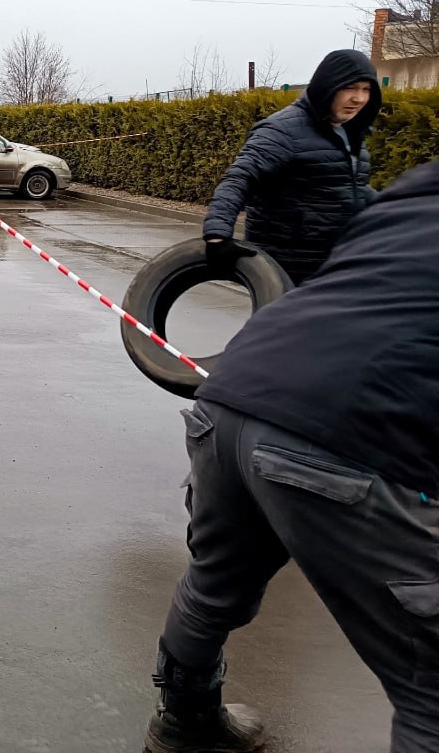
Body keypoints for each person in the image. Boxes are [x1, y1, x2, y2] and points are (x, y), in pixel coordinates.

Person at [143, 159, 439, 753]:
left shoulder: (415, 189)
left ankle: (184, 722)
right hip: (338, 428)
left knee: (213, 584)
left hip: (231, 391)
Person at [202, 49, 380, 284]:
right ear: (327, 86)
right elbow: (240, 178)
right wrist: (217, 235)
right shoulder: (282, 131)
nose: (358, 98)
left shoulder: (351, 133)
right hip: (288, 270)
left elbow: (348, 189)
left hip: (336, 266)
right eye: (349, 88)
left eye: (366, 89)